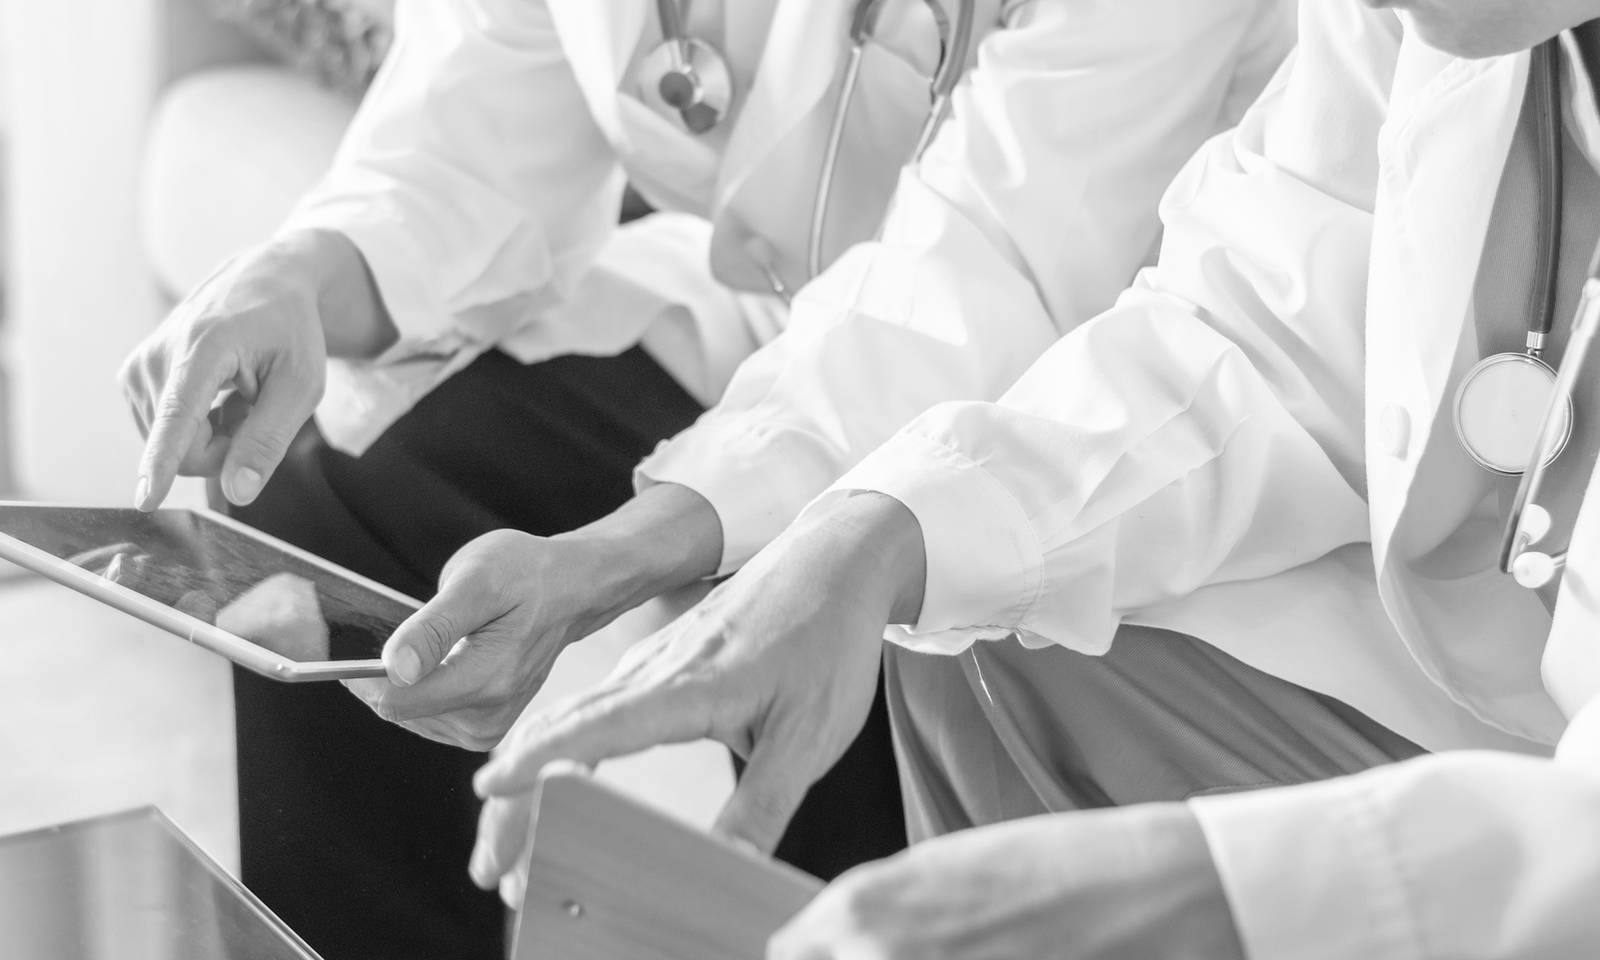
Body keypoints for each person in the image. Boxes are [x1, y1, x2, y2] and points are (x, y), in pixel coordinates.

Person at [119, 0, 1295, 956]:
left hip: (1079, 397)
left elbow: (993, 273)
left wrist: (627, 553)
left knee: (844, 652)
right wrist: (300, 274)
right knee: (348, 507)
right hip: (769, 318)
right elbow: (478, 119)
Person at [466, 0, 1600, 954]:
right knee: (966, 629)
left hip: (1550, 790)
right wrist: (873, 537)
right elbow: (1262, 322)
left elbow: (1002, 249)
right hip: (1464, 626)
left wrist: (1212, 889)